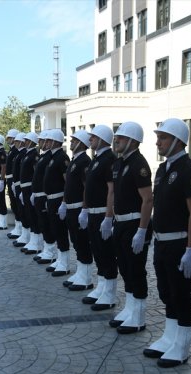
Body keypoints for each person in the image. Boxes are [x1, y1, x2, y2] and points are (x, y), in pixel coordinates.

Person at [143, 118, 191, 368]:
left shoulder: (190, 171)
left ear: (178, 141)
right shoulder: (162, 169)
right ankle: (170, 337)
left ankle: (182, 345)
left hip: (180, 244)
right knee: (166, 293)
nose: (158, 142)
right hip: (162, 242)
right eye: (158, 137)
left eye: (163, 138)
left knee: (181, 295)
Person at [104, 122, 153, 334]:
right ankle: (130, 308)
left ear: (133, 141)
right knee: (124, 268)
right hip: (121, 222)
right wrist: (110, 219)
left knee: (136, 269)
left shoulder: (138, 164)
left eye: (121, 138)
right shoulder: (119, 164)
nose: (116, 141)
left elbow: (147, 200)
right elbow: (114, 194)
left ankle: (139, 316)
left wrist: (142, 230)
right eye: (116, 138)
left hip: (134, 223)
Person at [81, 125, 119, 310]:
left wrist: (108, 216)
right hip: (94, 213)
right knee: (97, 252)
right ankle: (102, 287)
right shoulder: (97, 159)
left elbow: (111, 190)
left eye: (93, 137)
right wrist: (85, 209)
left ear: (103, 139)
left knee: (107, 253)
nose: (91, 140)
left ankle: (110, 294)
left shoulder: (109, 160)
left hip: (103, 213)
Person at [61, 130, 94, 290]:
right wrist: (64, 202)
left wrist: (85, 209)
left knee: (82, 242)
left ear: (81, 143)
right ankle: (80, 272)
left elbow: (87, 187)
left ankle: (86, 277)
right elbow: (68, 185)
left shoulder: (84, 161)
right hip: (71, 208)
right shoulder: (75, 160)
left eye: (74, 140)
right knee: (76, 242)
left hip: (79, 208)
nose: (72, 142)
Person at [43, 129, 71, 277]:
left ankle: (65, 263)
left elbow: (68, 182)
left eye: (48, 140)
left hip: (59, 198)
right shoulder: (53, 157)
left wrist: (64, 202)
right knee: (55, 229)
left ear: (55, 141)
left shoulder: (62, 157)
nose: (46, 143)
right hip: (52, 198)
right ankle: (60, 259)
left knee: (60, 231)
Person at [19, 132, 42, 254]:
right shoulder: (28, 154)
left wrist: (33, 191)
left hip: (30, 188)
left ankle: (37, 243)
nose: (25, 142)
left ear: (33, 142)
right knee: (29, 215)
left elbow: (35, 175)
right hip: (25, 188)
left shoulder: (34, 155)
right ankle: (33, 241)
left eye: (27, 140)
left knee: (33, 215)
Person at [4, 129, 23, 239]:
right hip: (11, 179)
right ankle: (18, 226)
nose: (9, 140)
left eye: (11, 138)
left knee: (16, 204)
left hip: (15, 180)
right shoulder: (12, 150)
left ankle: (20, 227)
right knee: (13, 204)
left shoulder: (16, 151)